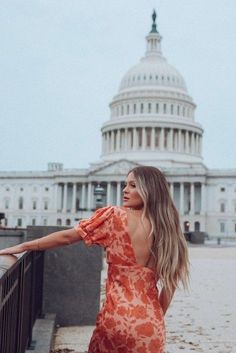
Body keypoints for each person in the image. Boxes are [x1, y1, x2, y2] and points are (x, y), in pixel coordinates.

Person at [0, 166, 189, 353]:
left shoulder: (114, 216)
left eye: (133, 185)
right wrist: (154, 318)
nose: (125, 190)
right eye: (125, 185)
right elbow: (169, 287)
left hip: (117, 318)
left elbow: (67, 238)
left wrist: (25, 246)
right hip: (150, 324)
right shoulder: (169, 228)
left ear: (149, 190)